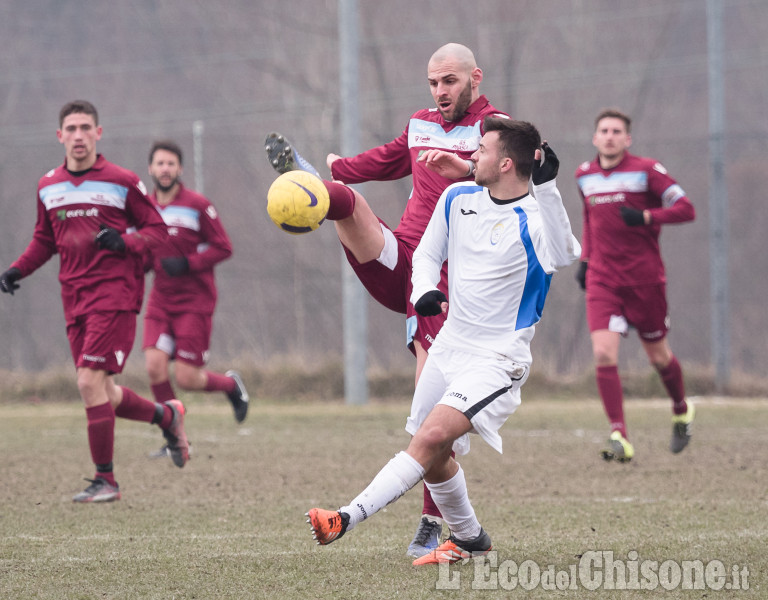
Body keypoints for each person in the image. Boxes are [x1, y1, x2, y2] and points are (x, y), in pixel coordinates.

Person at [265, 42, 509, 558]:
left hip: (448, 285)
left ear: (475, 79)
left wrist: (466, 172)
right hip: (404, 257)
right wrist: (342, 167)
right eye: (433, 82)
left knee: (430, 415)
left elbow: (528, 172)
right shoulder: (421, 124)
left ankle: (434, 522)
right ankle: (314, 186)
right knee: (347, 202)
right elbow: (390, 158)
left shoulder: (496, 131)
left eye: (449, 81)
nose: (440, 91)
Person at [305, 118, 581, 565]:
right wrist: (424, 291)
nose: (473, 154)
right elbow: (428, 254)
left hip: (497, 360)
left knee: (432, 436)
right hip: (450, 345)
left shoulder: (535, 217)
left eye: (483, 149)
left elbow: (565, 253)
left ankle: (344, 517)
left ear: (506, 163)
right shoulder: (457, 197)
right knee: (430, 456)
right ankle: (472, 539)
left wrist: (547, 187)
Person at [0, 100, 190, 503]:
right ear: (60, 136)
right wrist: (17, 269)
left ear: (99, 134)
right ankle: (167, 415)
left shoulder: (122, 180)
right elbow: (45, 240)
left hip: (116, 294)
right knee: (105, 390)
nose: (79, 135)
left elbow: (158, 230)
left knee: (87, 381)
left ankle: (107, 480)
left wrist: (126, 241)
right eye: (71, 128)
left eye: (86, 127)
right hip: (74, 297)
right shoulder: (47, 185)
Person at [574, 108, 696, 462]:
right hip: (603, 278)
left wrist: (646, 216)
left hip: (644, 280)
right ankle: (619, 434)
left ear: (627, 139)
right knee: (602, 352)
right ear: (595, 137)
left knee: (658, 357)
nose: (609, 136)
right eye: (604, 130)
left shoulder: (647, 171)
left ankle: (681, 409)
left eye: (616, 131)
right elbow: (588, 218)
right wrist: (585, 260)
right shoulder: (584, 175)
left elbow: (686, 209)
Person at [142, 140, 249, 458]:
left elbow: (223, 247)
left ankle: (231, 386)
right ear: (150, 169)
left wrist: (187, 263)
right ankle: (175, 439)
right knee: (154, 367)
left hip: (195, 301)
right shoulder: (144, 207)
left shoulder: (197, 205)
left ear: (180, 169)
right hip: (160, 300)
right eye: (159, 163)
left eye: (170, 164)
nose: (165, 169)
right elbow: (142, 249)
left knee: (187, 378)